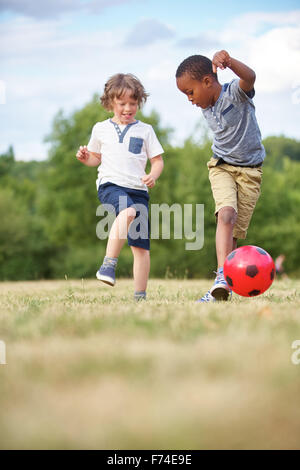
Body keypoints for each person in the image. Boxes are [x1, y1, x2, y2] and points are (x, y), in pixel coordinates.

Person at [176, 51, 265, 302]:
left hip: (250, 173)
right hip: (221, 166)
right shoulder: (206, 106)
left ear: (207, 81)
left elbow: (250, 77)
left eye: (190, 92)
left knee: (234, 233)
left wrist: (230, 62)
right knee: (226, 214)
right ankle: (221, 277)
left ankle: (223, 289)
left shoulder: (234, 93)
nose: (190, 100)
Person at [76, 73, 164, 301]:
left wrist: (152, 175)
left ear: (139, 103)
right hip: (111, 185)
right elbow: (96, 158)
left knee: (141, 247)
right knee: (127, 212)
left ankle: (140, 296)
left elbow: (157, 160)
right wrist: (85, 158)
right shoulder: (100, 129)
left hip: (139, 190)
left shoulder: (145, 130)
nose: (128, 108)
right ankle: (108, 265)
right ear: (110, 103)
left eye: (133, 103)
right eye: (122, 103)